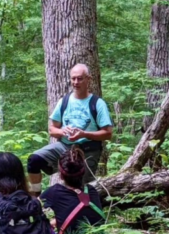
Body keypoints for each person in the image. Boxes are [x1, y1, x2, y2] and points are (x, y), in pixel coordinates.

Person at [27, 64, 113, 196]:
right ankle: (35, 198)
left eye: (80, 79)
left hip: (88, 150)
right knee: (34, 160)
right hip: (64, 146)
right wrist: (63, 132)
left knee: (78, 187)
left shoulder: (97, 103)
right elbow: (52, 129)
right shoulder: (64, 101)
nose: (76, 82)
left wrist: (84, 134)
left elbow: (107, 133)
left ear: (88, 79)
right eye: (73, 79)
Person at [40, 147, 105, 234]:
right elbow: (85, 215)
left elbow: (33, 208)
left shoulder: (54, 192)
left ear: (61, 175)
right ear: (83, 172)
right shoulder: (91, 190)